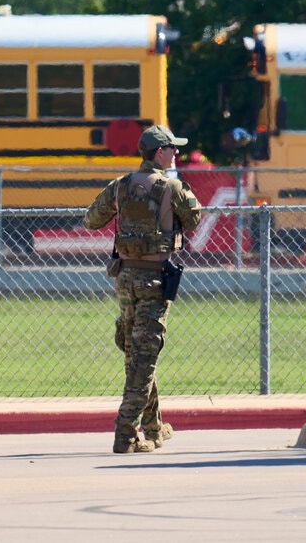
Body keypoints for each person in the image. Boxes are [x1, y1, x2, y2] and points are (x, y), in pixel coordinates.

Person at [82, 125, 201, 454]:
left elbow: (91, 219)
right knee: (144, 358)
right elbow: (193, 219)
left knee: (137, 354)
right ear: (158, 152)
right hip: (154, 280)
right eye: (172, 149)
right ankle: (126, 431)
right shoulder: (171, 187)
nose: (176, 153)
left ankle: (153, 427)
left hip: (124, 280)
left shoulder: (119, 186)